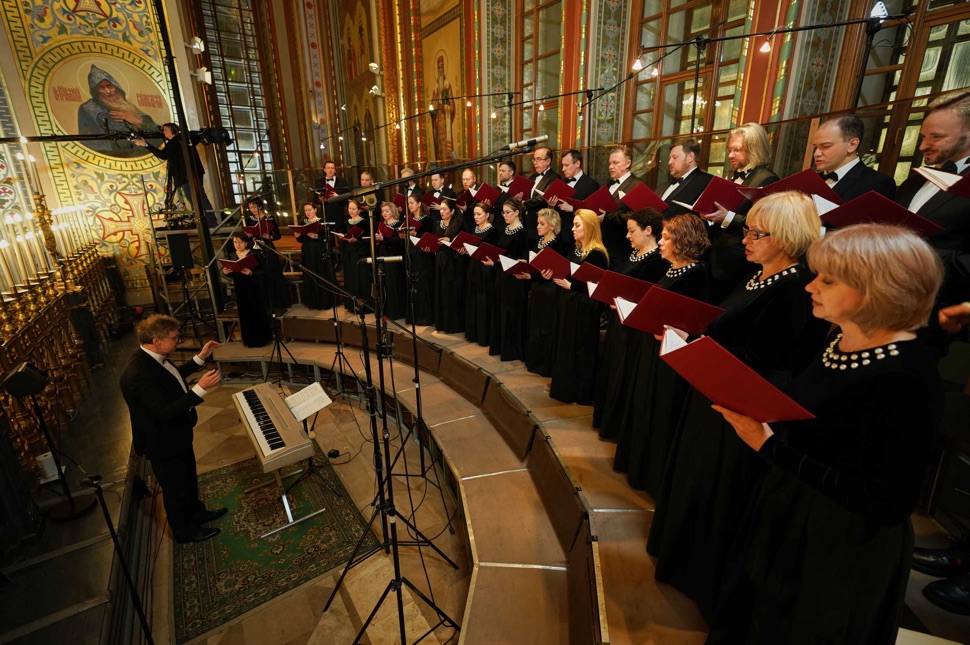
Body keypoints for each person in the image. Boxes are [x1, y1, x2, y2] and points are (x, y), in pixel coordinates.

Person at [706, 224, 944, 644]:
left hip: (839, 546)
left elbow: (884, 502)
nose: (810, 285)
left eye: (828, 280)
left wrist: (768, 445)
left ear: (880, 290)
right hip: (792, 510)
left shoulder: (906, 377)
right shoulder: (841, 338)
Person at [648, 191, 829, 618]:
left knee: (717, 492)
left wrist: (693, 345)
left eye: (756, 233)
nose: (744, 239)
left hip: (743, 407)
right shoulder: (757, 275)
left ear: (786, 237)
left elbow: (763, 361)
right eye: (745, 230)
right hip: (716, 393)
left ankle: (699, 574)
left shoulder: (793, 288)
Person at [613, 213, 710, 495]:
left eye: (666, 238)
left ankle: (651, 474)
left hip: (668, 356)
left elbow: (692, 323)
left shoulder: (695, 274)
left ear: (683, 242)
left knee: (657, 410)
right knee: (642, 404)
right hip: (651, 347)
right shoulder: (671, 269)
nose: (661, 243)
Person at [120, 315, 224, 543]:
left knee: (188, 478)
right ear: (156, 340)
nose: (179, 340)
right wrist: (199, 390)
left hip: (177, 435)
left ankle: (197, 512)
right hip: (162, 442)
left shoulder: (155, 358)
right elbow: (164, 411)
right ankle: (184, 531)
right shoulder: (138, 373)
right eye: (175, 338)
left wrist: (200, 358)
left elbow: (173, 379)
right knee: (175, 489)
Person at [896, 89, 970, 321]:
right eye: (922, 137)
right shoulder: (915, 180)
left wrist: (914, 256)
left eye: (936, 137)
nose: (922, 146)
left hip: (940, 313)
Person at [593, 208, 667, 439]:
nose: (627, 236)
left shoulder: (657, 261)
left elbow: (648, 300)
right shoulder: (633, 253)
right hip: (619, 323)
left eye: (631, 231)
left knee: (623, 376)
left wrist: (623, 302)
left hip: (635, 331)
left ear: (648, 231)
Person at [705, 123, 779, 303]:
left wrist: (727, 217)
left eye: (737, 150)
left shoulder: (768, 178)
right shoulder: (733, 176)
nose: (730, 155)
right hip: (718, 258)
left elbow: (765, 224)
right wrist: (709, 216)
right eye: (730, 150)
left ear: (754, 149)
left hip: (741, 260)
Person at [549, 209, 609, 404]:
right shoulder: (575, 248)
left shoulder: (597, 253)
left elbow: (595, 286)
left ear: (590, 228)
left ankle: (578, 391)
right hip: (569, 302)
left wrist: (572, 285)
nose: (572, 229)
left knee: (580, 348)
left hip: (584, 307)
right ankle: (564, 387)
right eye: (573, 225)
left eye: (577, 226)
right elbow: (567, 270)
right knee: (566, 344)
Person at [133, 123, 215, 225]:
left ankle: (209, 222)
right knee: (197, 199)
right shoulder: (182, 140)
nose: (163, 132)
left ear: (172, 130)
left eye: (165, 130)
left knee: (197, 199)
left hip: (187, 176)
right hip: (191, 174)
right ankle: (206, 221)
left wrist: (146, 145)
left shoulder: (176, 141)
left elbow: (163, 155)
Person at [79, 64, 160, 157]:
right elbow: (97, 139)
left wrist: (137, 121)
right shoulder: (90, 109)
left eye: (109, 86)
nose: (108, 91)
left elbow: (155, 129)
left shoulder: (124, 104)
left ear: (116, 87)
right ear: (95, 91)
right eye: (101, 87)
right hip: (114, 154)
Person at [521, 208, 565, 376]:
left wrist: (541, 275)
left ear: (552, 226)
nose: (538, 227)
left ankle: (544, 365)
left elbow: (558, 270)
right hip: (537, 288)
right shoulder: (536, 242)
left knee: (545, 327)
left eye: (542, 224)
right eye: (537, 223)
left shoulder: (557, 246)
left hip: (549, 291)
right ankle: (533, 360)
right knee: (534, 324)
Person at [812, 114, 896, 201]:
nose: (816, 153)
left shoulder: (876, 183)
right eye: (815, 147)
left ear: (852, 145)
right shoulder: (812, 180)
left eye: (826, 146)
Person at [486, 198, 530, 361]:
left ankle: (512, 350)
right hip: (501, 275)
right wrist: (495, 261)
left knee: (511, 313)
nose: (504, 215)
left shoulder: (523, 233)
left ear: (517, 213)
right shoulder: (505, 229)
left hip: (514, 279)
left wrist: (501, 259)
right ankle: (500, 346)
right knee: (500, 310)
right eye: (503, 212)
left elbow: (521, 258)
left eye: (508, 212)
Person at [222, 232, 273, 347]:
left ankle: (262, 339)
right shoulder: (232, 256)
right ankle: (249, 340)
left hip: (254, 287)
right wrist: (225, 272)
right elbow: (230, 272)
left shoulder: (254, 254)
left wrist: (251, 273)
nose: (238, 245)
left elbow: (263, 271)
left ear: (246, 243)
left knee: (257, 311)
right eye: (235, 242)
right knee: (245, 313)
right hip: (240, 288)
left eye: (240, 242)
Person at [243, 197, 291, 310]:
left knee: (273, 273)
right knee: (260, 274)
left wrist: (269, 236)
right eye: (250, 207)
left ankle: (277, 301)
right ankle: (264, 302)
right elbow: (247, 237)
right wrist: (248, 236)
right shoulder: (249, 219)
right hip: (255, 249)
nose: (252, 209)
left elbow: (278, 235)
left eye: (254, 206)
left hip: (268, 248)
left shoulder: (269, 218)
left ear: (260, 206)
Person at [600, 146, 644, 268]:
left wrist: (607, 217)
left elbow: (637, 216)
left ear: (628, 163)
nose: (610, 167)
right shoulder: (607, 185)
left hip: (621, 247)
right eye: (609, 163)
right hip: (603, 245)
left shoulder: (637, 185)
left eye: (615, 163)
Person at [464, 201, 501, 347]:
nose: (476, 217)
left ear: (487, 215)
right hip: (474, 267)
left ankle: (485, 336)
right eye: (474, 214)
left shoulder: (493, 231)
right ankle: (474, 333)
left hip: (486, 269)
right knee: (474, 298)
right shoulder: (474, 229)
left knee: (484, 300)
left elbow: (493, 252)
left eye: (479, 214)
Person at [549, 149, 600, 247]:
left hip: (577, 238)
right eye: (562, 165)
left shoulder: (591, 185)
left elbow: (591, 214)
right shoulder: (561, 182)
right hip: (558, 235)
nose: (563, 169)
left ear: (577, 164)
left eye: (566, 165)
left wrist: (571, 209)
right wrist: (552, 206)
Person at [657, 138, 714, 218]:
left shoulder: (707, 182)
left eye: (675, 157)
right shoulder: (663, 185)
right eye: (670, 158)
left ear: (690, 157)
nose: (669, 162)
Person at [433, 199, 467, 333]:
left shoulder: (459, 223)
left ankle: (455, 325)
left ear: (452, 211)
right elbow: (434, 241)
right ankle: (442, 323)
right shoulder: (437, 224)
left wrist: (452, 241)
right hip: (441, 262)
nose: (441, 212)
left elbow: (466, 241)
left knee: (454, 293)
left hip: (455, 262)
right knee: (442, 291)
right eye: (440, 209)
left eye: (444, 209)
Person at [294, 201, 335, 310]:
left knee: (320, 273)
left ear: (315, 210)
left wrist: (317, 237)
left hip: (319, 251)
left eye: (310, 210)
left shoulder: (322, 221)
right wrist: (298, 236)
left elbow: (330, 239)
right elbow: (301, 239)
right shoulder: (303, 221)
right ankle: (313, 302)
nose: (308, 212)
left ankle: (324, 301)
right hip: (307, 251)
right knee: (309, 274)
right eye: (306, 210)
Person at [404, 195, 435, 326]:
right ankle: (414, 316)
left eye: (412, 203)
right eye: (408, 203)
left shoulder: (427, 220)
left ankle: (425, 317)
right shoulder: (408, 220)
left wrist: (417, 234)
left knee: (423, 284)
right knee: (413, 284)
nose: (410, 205)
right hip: (411, 253)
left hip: (423, 255)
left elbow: (430, 237)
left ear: (419, 204)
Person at [523, 147, 560, 246]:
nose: (535, 162)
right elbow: (527, 195)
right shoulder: (532, 177)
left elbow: (544, 198)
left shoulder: (554, 177)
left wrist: (524, 204)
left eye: (538, 159)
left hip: (543, 223)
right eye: (534, 159)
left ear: (548, 161)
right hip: (528, 222)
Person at [376, 202, 406, 319]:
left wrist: (384, 238)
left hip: (394, 256)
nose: (384, 213)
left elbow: (399, 241)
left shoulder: (398, 224)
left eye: (387, 211)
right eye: (383, 211)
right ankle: (386, 311)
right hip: (383, 255)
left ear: (393, 211)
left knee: (394, 283)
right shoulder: (382, 224)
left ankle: (396, 312)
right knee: (384, 284)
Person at [340, 199, 372, 311]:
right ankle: (351, 305)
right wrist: (344, 238)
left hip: (361, 253)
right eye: (349, 208)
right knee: (351, 278)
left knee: (362, 279)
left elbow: (368, 240)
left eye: (354, 209)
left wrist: (356, 240)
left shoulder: (365, 222)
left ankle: (364, 307)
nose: (351, 211)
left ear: (359, 210)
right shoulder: (346, 222)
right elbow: (345, 237)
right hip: (350, 253)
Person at [314, 161, 351, 233]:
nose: (330, 170)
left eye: (332, 168)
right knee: (328, 240)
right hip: (325, 215)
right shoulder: (318, 182)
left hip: (339, 215)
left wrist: (338, 197)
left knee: (341, 239)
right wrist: (320, 199)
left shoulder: (342, 182)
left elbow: (347, 200)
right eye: (328, 168)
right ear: (324, 170)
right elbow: (315, 199)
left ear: (335, 170)